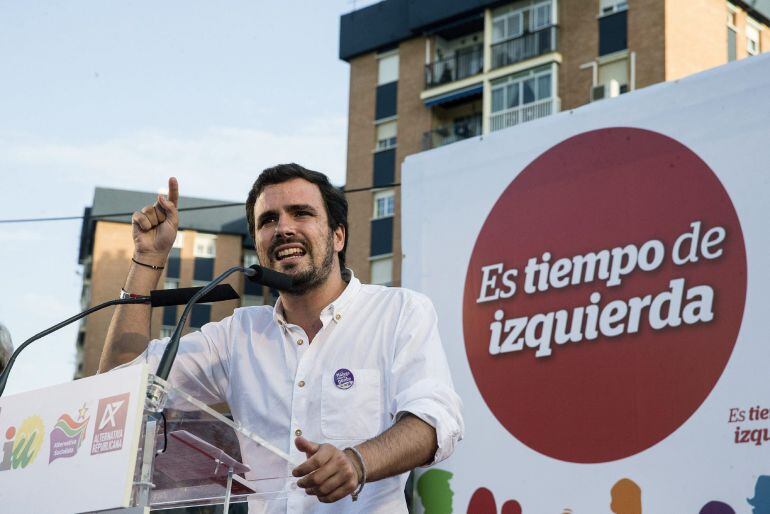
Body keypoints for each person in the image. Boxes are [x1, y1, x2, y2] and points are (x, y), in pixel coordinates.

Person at [99, 163, 464, 513]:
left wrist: (358, 461)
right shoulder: (237, 336)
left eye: (301, 213)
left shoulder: (399, 312)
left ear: (338, 236)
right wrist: (147, 258)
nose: (283, 228)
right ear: (258, 243)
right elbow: (121, 385)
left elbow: (435, 421)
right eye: (268, 220)